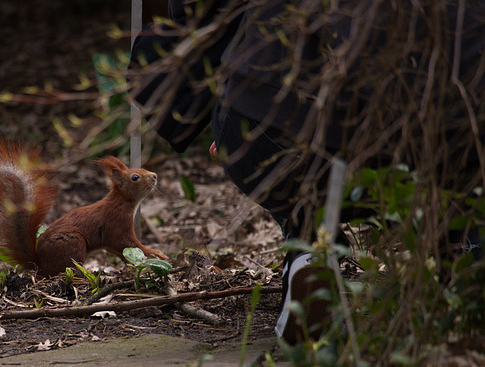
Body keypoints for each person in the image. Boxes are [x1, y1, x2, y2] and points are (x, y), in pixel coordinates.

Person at [129, 0, 485, 345]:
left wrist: (225, 106)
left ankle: (309, 246)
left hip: (272, 130)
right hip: (427, 139)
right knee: (457, 173)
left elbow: (195, 15)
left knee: (275, 137)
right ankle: (463, 251)